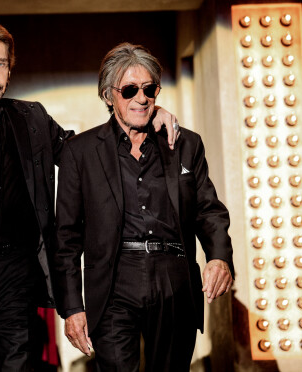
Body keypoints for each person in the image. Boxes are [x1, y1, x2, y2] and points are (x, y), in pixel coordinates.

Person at [0, 22, 179, 372]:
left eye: (1, 63)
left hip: (17, 275)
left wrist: (144, 115)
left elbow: (87, 155)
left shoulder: (32, 117)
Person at [52, 42, 235, 371]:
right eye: (130, 90)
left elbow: (208, 210)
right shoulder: (80, 152)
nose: (141, 98)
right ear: (109, 95)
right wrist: (71, 307)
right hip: (112, 282)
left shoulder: (184, 144)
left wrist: (219, 256)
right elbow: (65, 238)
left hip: (173, 277)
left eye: (149, 88)